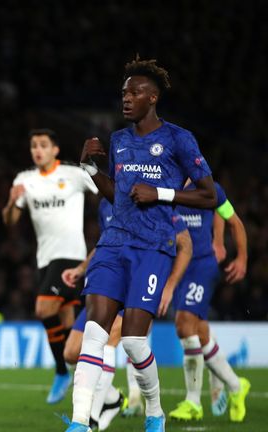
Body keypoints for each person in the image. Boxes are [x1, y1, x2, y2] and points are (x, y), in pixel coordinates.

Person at [66, 56, 217, 432]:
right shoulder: (118, 141)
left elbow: (209, 195)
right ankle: (79, 423)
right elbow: (119, 196)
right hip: (113, 245)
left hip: (154, 247)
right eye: (123, 93)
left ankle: (155, 411)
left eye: (135, 92)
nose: (127, 98)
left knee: (133, 342)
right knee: (95, 334)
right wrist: (88, 170)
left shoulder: (178, 139)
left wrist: (162, 193)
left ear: (153, 98)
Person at [63, 199, 192, 430]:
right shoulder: (105, 203)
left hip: (140, 275)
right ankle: (112, 400)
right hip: (112, 272)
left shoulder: (153, 199)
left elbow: (185, 243)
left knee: (118, 339)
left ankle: (87, 419)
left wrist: (170, 285)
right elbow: (107, 240)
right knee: (71, 352)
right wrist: (81, 269)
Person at [2, 129, 98, 404]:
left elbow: (103, 189)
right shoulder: (25, 180)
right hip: (45, 259)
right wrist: (11, 201)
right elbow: (10, 221)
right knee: (70, 334)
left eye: (43, 145)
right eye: (33, 145)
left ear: (55, 149)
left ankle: (60, 372)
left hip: (71, 257)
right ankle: (102, 391)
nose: (37, 150)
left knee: (43, 308)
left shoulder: (73, 175)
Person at [168, 180, 250, 422]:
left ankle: (193, 402)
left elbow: (233, 219)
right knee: (200, 334)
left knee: (184, 325)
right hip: (177, 266)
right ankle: (236, 386)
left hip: (202, 265)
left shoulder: (210, 189)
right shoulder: (165, 184)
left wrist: (239, 256)